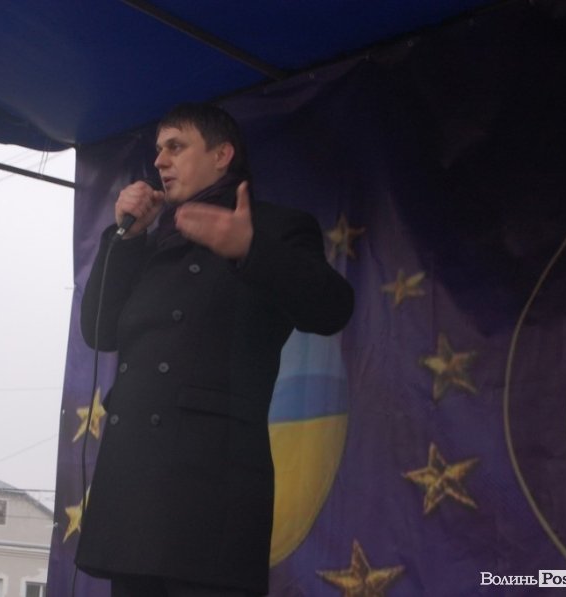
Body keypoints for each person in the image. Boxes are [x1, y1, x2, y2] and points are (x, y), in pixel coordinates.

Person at [75, 103, 354, 597]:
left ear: (222, 155)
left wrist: (249, 248)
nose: (159, 161)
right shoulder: (150, 242)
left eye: (175, 146)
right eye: (158, 149)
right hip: (132, 485)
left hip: (210, 489)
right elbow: (100, 332)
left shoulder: (274, 227)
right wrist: (126, 239)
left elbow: (331, 310)